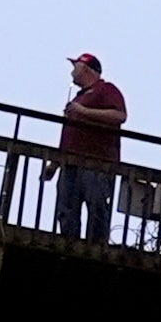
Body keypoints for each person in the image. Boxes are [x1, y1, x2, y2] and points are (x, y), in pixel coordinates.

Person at [52, 51, 130, 243]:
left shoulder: (105, 89)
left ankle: (95, 246)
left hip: (97, 163)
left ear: (86, 68)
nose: (72, 71)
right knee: (66, 207)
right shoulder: (79, 98)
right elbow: (68, 136)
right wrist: (54, 164)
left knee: (96, 205)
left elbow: (120, 116)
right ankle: (69, 244)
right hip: (70, 163)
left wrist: (84, 112)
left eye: (75, 65)